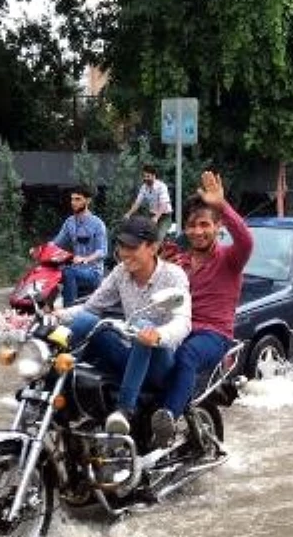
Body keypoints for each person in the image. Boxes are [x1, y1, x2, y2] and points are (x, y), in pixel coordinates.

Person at [54, 215, 191, 434]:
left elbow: (183, 323)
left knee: (142, 324)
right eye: (121, 246)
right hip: (130, 353)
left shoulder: (174, 276)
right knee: (89, 322)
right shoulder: (120, 272)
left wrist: (158, 335)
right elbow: (91, 307)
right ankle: (55, 389)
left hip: (160, 362)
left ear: (153, 247)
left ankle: (125, 409)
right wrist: (55, 315)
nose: (124, 253)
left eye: (132, 247)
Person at [151, 170, 254, 449]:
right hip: (177, 328)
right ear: (184, 228)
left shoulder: (230, 259)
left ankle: (167, 419)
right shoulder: (177, 262)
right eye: (192, 226)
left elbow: (246, 240)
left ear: (217, 226)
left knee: (187, 355)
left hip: (212, 335)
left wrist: (222, 205)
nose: (198, 231)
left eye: (205, 224)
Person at [52, 185, 108, 306]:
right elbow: (56, 243)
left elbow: (102, 251)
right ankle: (45, 310)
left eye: (78, 199)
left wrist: (85, 259)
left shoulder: (98, 224)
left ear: (87, 201)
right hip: (75, 269)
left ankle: (68, 310)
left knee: (68, 272)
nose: (73, 202)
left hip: (93, 272)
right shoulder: (69, 222)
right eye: (72, 199)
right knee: (51, 272)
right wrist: (41, 250)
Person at [125, 164, 173, 239]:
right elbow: (137, 203)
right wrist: (128, 214)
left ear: (154, 176)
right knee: (147, 236)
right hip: (152, 214)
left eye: (148, 176)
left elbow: (164, 204)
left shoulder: (161, 186)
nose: (145, 178)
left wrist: (156, 217)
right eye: (144, 176)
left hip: (164, 216)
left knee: (158, 237)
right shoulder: (144, 187)